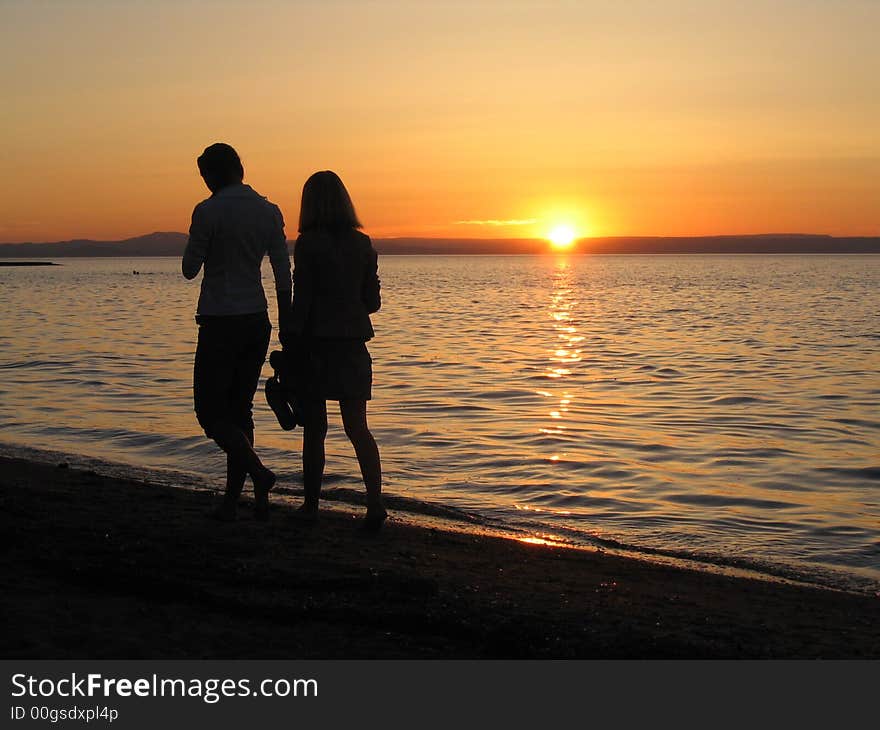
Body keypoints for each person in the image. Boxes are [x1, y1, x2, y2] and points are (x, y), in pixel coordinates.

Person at [182, 142, 291, 521]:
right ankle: (236, 500)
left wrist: (206, 244)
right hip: (256, 319)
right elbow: (282, 273)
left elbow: (189, 268)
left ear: (213, 174)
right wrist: (287, 321)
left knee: (210, 413)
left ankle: (258, 475)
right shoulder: (268, 211)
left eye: (204, 176)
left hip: (219, 318)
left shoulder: (207, 211)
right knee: (240, 409)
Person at [285, 170, 385, 530]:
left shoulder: (308, 244)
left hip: (316, 346)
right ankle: (375, 505)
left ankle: (311, 506)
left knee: (315, 429)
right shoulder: (363, 244)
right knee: (358, 428)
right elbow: (372, 302)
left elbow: (303, 301)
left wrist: (289, 340)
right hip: (353, 346)